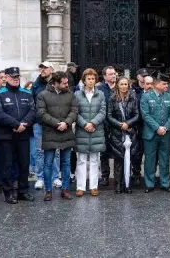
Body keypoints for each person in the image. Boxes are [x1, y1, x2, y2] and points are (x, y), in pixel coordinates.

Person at [0, 67, 36, 204]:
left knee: (24, 164)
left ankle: (23, 191)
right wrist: (16, 125)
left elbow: (33, 111)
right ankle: (8, 192)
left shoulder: (27, 93)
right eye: (12, 77)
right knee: (7, 165)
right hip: (5, 135)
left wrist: (24, 124)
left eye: (17, 76)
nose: (15, 79)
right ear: (6, 78)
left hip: (23, 134)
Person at [37, 71, 78, 200]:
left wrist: (66, 123)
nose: (67, 85)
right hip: (50, 132)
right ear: (55, 83)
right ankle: (48, 190)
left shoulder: (70, 94)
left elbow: (74, 110)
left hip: (66, 132)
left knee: (66, 163)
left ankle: (65, 189)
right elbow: (42, 113)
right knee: (48, 163)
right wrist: (57, 124)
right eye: (64, 83)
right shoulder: (42, 95)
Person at [139, 72, 170, 193]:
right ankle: (150, 183)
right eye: (164, 83)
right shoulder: (146, 97)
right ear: (156, 84)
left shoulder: (169, 96)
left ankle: (165, 183)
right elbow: (145, 115)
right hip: (150, 134)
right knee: (150, 160)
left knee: (165, 159)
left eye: (167, 84)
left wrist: (165, 127)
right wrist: (157, 127)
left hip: (165, 133)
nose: (166, 86)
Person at [74, 68, 107, 197]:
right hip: (82, 130)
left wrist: (93, 123)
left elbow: (103, 111)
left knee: (94, 159)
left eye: (93, 78)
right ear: (84, 80)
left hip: (96, 130)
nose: (91, 81)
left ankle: (93, 186)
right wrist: (84, 124)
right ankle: (80, 187)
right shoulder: (77, 95)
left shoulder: (101, 94)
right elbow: (75, 112)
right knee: (81, 159)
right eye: (88, 78)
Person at [107, 77, 140, 194]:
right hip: (117, 133)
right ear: (117, 85)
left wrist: (128, 124)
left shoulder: (133, 98)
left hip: (130, 132)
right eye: (122, 84)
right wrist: (120, 124)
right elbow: (109, 115)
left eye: (126, 84)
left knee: (129, 159)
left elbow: (137, 114)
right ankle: (118, 185)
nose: (124, 86)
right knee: (118, 160)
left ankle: (127, 184)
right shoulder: (112, 98)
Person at [31, 61, 60, 190]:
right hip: (39, 122)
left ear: (51, 70)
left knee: (56, 151)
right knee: (39, 151)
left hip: (55, 122)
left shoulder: (57, 83)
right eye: (41, 68)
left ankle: (55, 177)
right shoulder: (36, 84)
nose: (42, 70)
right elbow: (32, 103)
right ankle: (40, 177)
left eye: (45, 68)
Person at [97, 66, 117, 187]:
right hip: (103, 125)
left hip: (117, 125)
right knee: (103, 153)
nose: (113, 76)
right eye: (110, 74)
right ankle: (105, 176)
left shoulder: (121, 87)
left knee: (118, 152)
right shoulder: (99, 89)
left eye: (114, 73)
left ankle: (118, 176)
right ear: (104, 76)